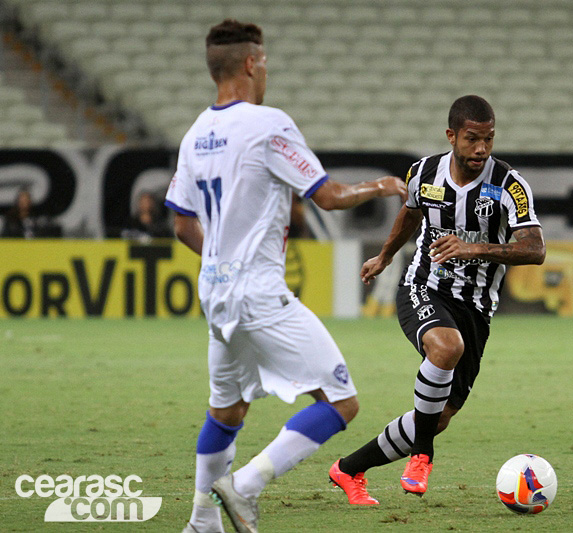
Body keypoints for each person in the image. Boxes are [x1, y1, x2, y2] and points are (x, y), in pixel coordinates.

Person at [165, 20, 406, 533]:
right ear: (252, 63)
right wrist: (383, 184)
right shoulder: (267, 124)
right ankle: (245, 487)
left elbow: (182, 223)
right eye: (266, 61)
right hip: (258, 292)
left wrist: (221, 262)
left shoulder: (195, 134)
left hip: (217, 293)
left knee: (226, 413)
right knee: (342, 401)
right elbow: (328, 196)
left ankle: (201, 522)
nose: (267, 70)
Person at [328, 95, 546, 505]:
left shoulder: (510, 185)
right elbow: (411, 213)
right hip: (423, 287)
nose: (481, 149)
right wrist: (386, 256)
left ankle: (348, 469)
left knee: (437, 416)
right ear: (451, 136)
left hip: (477, 307)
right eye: (472, 139)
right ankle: (423, 456)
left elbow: (535, 249)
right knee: (446, 347)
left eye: (488, 139)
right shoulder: (423, 172)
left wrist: (473, 249)